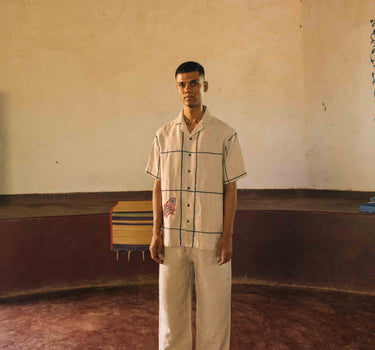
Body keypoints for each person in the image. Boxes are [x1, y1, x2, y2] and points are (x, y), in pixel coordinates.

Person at [145, 61, 246, 350]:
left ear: (204, 85)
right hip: (173, 237)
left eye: (193, 83)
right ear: (177, 89)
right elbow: (158, 186)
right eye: (182, 84)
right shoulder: (163, 135)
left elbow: (231, 188)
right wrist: (156, 232)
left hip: (210, 237)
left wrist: (227, 235)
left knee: (215, 311)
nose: (188, 89)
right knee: (171, 311)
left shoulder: (226, 135)